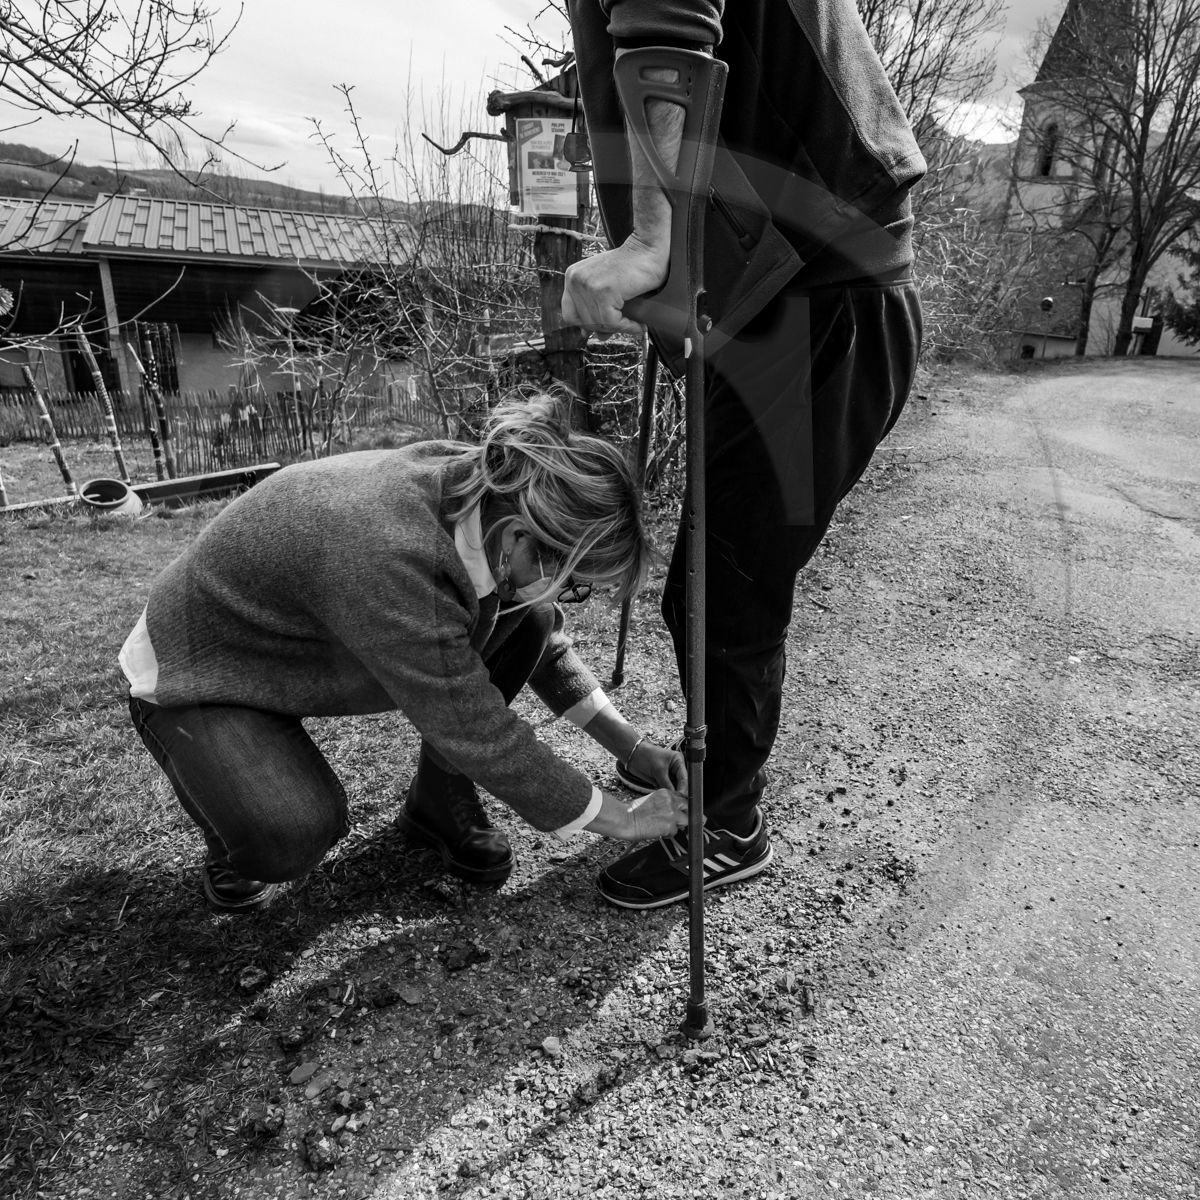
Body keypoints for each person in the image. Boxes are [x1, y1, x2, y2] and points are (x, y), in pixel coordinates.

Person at [563, 0, 925, 908]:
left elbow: (667, 38)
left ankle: (727, 823)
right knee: (719, 572)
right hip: (779, 290)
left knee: (727, 581)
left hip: (814, 297)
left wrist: (652, 240)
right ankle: (719, 795)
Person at [120, 397, 688, 913]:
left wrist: (634, 749)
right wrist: (623, 817)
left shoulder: (489, 489)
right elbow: (476, 726)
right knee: (290, 836)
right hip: (200, 667)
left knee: (530, 617)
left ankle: (438, 802)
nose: (566, 594)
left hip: (292, 639)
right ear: (520, 535)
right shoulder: (391, 557)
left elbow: (542, 644)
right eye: (571, 581)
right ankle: (228, 833)